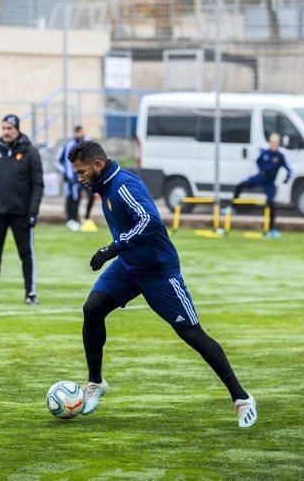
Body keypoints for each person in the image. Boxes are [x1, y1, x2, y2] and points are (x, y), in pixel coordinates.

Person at [68, 141, 257, 428]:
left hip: (158, 271)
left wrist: (112, 248)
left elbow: (151, 220)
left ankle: (242, 398)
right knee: (92, 308)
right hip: (130, 266)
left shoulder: (121, 185)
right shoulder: (103, 184)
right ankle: (95, 382)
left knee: (192, 334)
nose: (79, 178)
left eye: (82, 172)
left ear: (97, 165)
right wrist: (119, 252)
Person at [0, 114, 44, 305]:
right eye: (3, 128)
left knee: (26, 254)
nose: (6, 132)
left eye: (9, 128)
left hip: (21, 214)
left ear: (17, 129)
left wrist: (33, 213)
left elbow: (37, 185)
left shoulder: (30, 152)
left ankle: (30, 294)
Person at [232, 133, 293, 238]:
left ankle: (272, 230)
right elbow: (257, 161)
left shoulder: (280, 156)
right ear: (269, 143)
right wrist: (261, 170)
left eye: (276, 142)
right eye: (272, 142)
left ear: (278, 144)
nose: (274, 144)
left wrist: (286, 178)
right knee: (240, 185)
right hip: (260, 178)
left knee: (271, 203)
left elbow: (289, 170)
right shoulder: (264, 153)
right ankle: (233, 207)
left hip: (270, 183)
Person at [55, 125, 97, 231]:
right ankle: (72, 219)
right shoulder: (68, 145)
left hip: (87, 177)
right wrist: (65, 172)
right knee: (74, 197)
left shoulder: (88, 142)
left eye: (81, 131)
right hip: (73, 178)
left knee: (91, 196)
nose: (80, 134)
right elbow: (58, 161)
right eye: (77, 132)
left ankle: (86, 218)